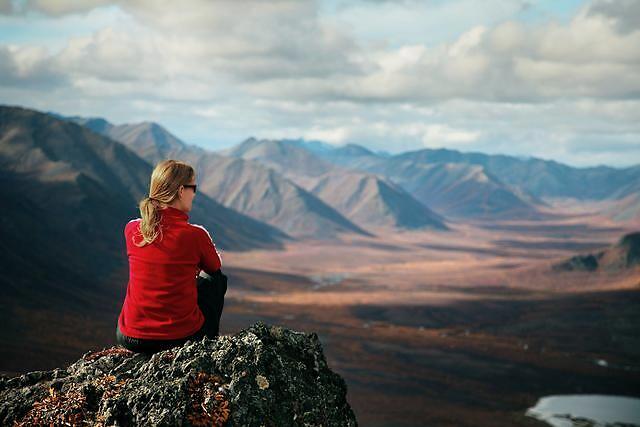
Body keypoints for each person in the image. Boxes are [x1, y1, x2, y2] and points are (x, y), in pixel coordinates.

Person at [116, 159, 227, 354]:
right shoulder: (195, 235)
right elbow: (214, 267)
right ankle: (207, 345)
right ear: (181, 191)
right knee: (215, 280)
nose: (194, 194)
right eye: (193, 188)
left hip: (129, 336)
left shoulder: (131, 228)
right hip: (178, 339)